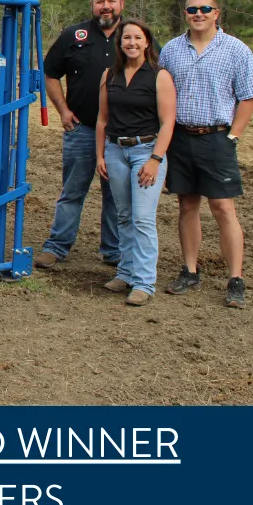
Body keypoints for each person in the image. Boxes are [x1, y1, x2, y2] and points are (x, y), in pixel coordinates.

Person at [158, 0, 253, 309]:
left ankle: (235, 279)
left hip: (217, 138)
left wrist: (233, 137)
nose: (198, 14)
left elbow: (248, 97)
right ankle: (190, 270)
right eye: (192, 9)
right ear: (185, 14)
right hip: (181, 138)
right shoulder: (171, 50)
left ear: (216, 13)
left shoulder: (236, 50)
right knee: (187, 205)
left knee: (223, 207)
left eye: (205, 9)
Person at [33, 0, 125, 270]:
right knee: (72, 191)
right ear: (92, 5)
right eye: (100, 2)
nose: (106, 7)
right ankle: (57, 246)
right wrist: (63, 111)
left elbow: (157, 76)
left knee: (116, 195)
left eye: (111, 1)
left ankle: (114, 250)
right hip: (82, 129)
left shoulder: (134, 35)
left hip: (120, 134)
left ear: (121, 3)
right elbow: (50, 73)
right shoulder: (74, 35)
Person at [94, 19, 176, 306]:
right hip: (116, 151)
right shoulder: (109, 75)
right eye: (126, 38)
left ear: (147, 42)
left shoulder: (159, 76)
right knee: (124, 215)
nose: (131, 43)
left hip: (146, 151)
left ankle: (144, 282)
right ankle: (125, 272)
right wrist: (100, 155)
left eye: (137, 38)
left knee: (142, 218)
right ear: (120, 43)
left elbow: (167, 123)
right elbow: (102, 119)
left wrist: (155, 160)